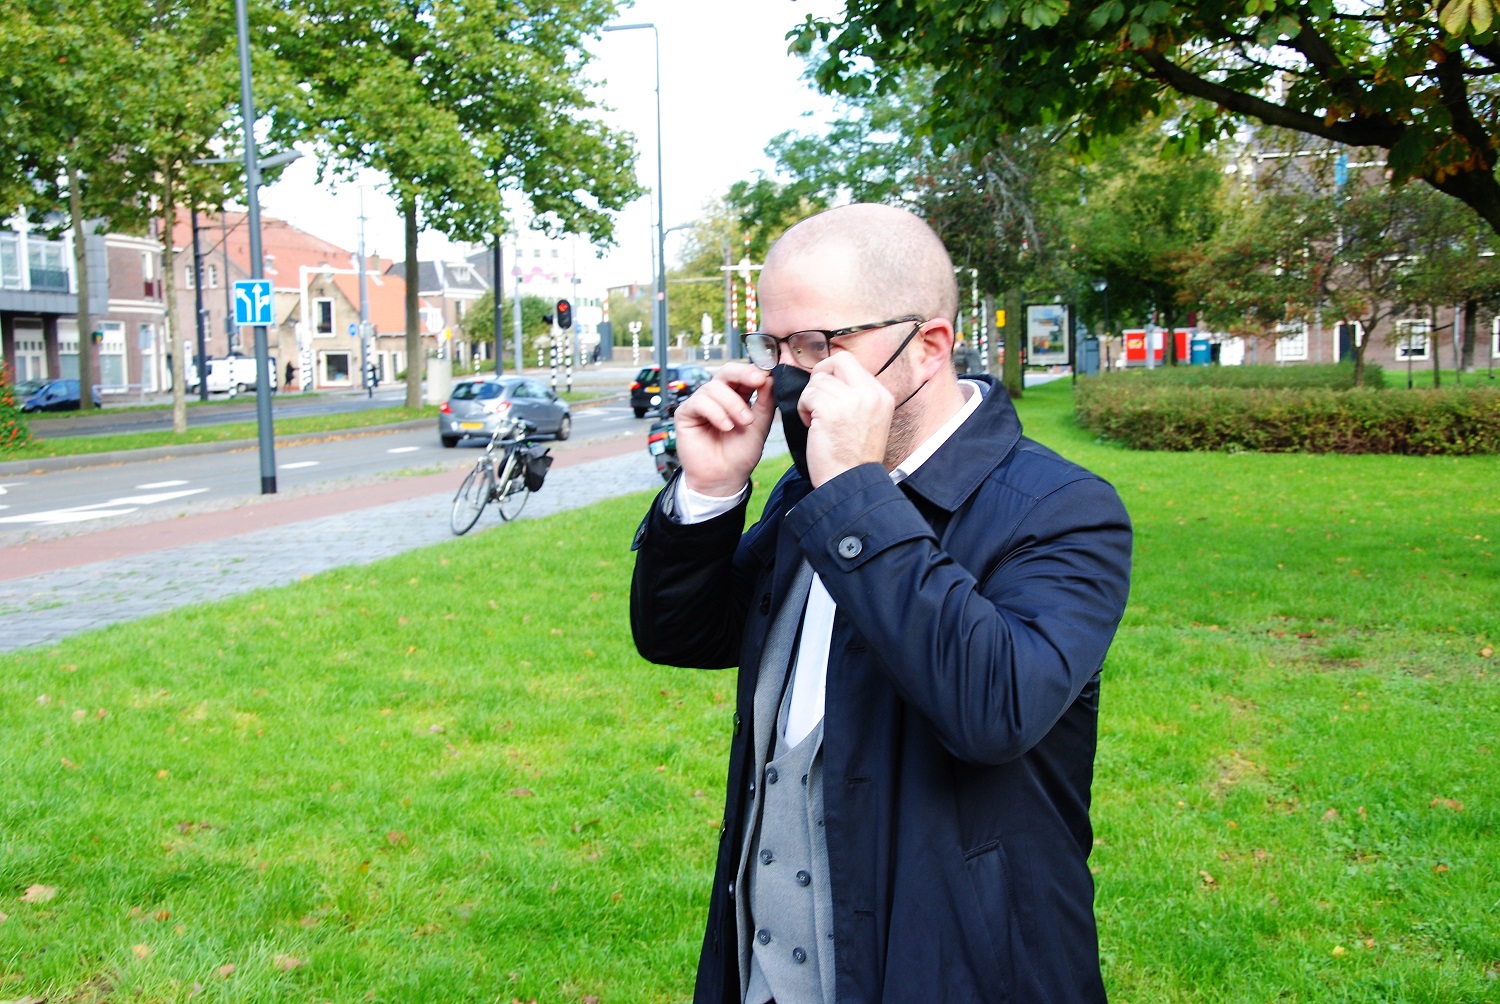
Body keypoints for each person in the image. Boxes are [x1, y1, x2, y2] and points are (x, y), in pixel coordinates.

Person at [630, 204, 1132, 1003]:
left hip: (956, 971)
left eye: (821, 345)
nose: (788, 376)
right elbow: (683, 633)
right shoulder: (806, 493)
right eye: (774, 346)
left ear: (928, 346)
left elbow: (991, 709)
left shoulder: (1063, 509)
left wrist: (859, 497)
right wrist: (711, 493)